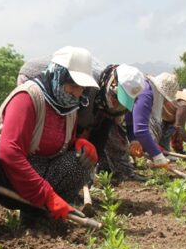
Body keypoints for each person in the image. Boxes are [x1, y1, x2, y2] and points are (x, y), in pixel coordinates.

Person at [0, 46, 100, 236]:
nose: (77, 93)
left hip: (41, 172)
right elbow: (10, 153)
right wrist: (47, 195)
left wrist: (78, 143)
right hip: (5, 173)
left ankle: (38, 218)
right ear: (58, 76)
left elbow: (57, 142)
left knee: (80, 161)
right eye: (73, 85)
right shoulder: (27, 97)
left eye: (82, 88)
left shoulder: (69, 106)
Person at [18, 57, 146, 181]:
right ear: (112, 84)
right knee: (51, 133)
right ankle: (36, 175)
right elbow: (79, 124)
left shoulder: (110, 101)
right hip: (34, 76)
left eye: (122, 103)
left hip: (69, 88)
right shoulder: (90, 84)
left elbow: (106, 130)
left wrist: (90, 163)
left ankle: (69, 178)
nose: (117, 105)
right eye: (116, 99)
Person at [125, 72, 180, 169]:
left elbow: (129, 120)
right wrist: (157, 156)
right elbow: (140, 130)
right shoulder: (146, 93)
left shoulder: (146, 89)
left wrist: (133, 140)